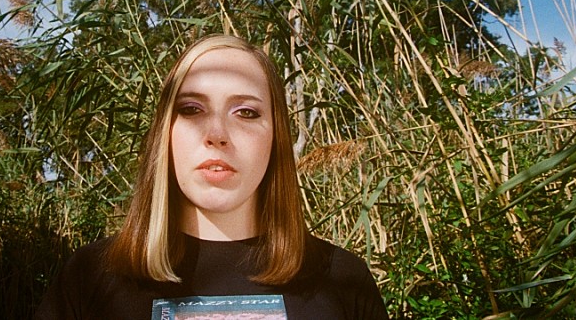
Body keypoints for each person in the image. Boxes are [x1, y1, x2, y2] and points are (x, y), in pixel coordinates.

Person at [35, 34, 389, 319]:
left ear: (276, 136)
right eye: (192, 109)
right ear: (165, 133)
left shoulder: (342, 279)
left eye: (246, 112)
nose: (217, 134)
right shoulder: (90, 278)